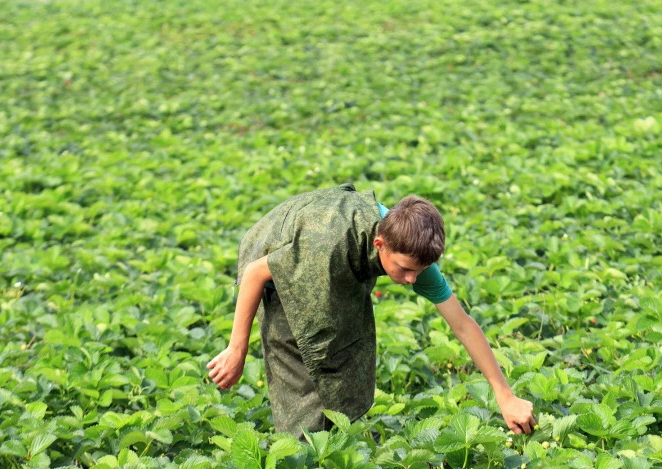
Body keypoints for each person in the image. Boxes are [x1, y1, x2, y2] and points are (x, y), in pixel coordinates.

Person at [207, 183, 536, 437]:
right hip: (283, 254)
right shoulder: (326, 246)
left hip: (332, 258)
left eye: (419, 272)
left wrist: (505, 395)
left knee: (342, 346)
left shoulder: (411, 252)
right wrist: (237, 350)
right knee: (301, 369)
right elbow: (256, 273)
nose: (411, 280)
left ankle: (331, 449)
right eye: (405, 270)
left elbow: (462, 324)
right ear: (380, 244)